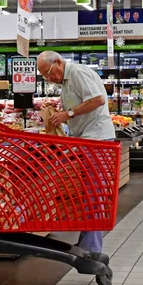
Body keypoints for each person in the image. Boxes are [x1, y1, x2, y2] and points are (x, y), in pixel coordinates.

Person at [36, 51, 115, 254]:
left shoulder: (78, 73)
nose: (49, 79)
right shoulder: (66, 83)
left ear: (59, 62)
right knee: (90, 193)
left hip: (97, 140)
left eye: (49, 73)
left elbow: (98, 100)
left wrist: (68, 113)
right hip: (87, 140)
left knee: (94, 193)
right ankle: (88, 242)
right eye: (44, 76)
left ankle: (92, 247)